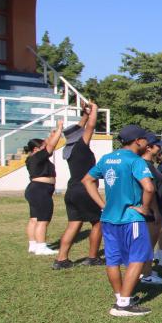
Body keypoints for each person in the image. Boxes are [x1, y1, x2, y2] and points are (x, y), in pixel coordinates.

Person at [81, 124, 155, 317]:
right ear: (138, 141)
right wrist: (145, 209)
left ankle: (122, 296)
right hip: (131, 219)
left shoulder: (107, 159)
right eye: (145, 139)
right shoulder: (136, 161)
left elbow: (87, 180)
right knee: (137, 258)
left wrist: (102, 204)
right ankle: (123, 304)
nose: (147, 143)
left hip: (108, 218)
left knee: (112, 260)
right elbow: (148, 188)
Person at [54, 103, 104, 269]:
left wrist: (85, 113)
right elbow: (90, 126)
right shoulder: (82, 147)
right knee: (98, 222)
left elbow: (80, 127)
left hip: (72, 190)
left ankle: (61, 259)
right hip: (85, 191)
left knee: (74, 223)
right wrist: (95, 109)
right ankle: (92, 257)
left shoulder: (69, 148)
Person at [24, 119, 64, 256]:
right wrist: (59, 129)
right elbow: (51, 146)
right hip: (40, 190)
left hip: (35, 189)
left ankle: (33, 245)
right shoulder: (37, 156)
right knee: (43, 219)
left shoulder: (33, 157)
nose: (45, 149)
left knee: (34, 218)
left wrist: (52, 134)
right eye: (42, 147)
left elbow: (48, 143)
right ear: (36, 149)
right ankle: (41, 246)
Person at [138, 133, 162, 286]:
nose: (160, 147)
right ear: (148, 148)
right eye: (157, 145)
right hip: (150, 212)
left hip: (153, 209)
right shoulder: (143, 165)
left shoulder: (149, 164)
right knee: (148, 244)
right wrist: (155, 211)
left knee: (148, 243)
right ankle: (146, 274)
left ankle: (145, 270)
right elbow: (150, 191)